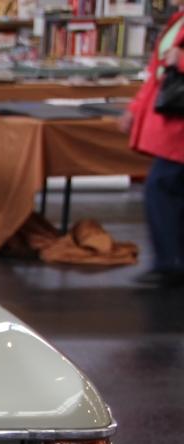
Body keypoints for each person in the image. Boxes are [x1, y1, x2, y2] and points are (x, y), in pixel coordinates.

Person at [121, 2, 184, 288]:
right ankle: (171, 261)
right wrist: (135, 109)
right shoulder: (177, 20)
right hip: (172, 120)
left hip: (178, 123)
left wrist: (180, 60)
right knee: (168, 189)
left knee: (161, 187)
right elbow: (156, 73)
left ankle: (169, 263)